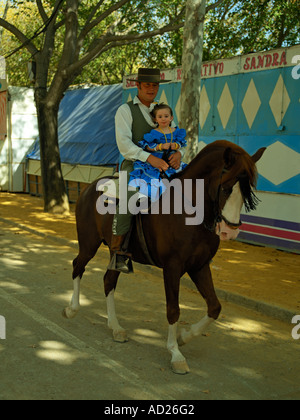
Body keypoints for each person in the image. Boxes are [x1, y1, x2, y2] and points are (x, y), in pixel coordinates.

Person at [109, 68, 186, 273]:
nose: (151, 88)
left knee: (190, 192)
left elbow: (177, 137)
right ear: (138, 86)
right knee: (130, 198)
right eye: (147, 85)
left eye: (155, 85)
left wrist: (180, 154)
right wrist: (149, 157)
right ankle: (119, 252)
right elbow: (124, 145)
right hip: (136, 166)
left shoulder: (164, 111)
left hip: (165, 165)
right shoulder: (125, 111)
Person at [129, 103, 187, 201]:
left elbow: (182, 143)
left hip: (172, 160)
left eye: (166, 116)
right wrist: (160, 146)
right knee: (155, 179)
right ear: (155, 119)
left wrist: (176, 145)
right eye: (160, 117)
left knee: (184, 177)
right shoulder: (154, 133)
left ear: (171, 118)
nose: (163, 119)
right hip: (157, 159)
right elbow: (147, 146)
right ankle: (150, 201)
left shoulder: (176, 131)